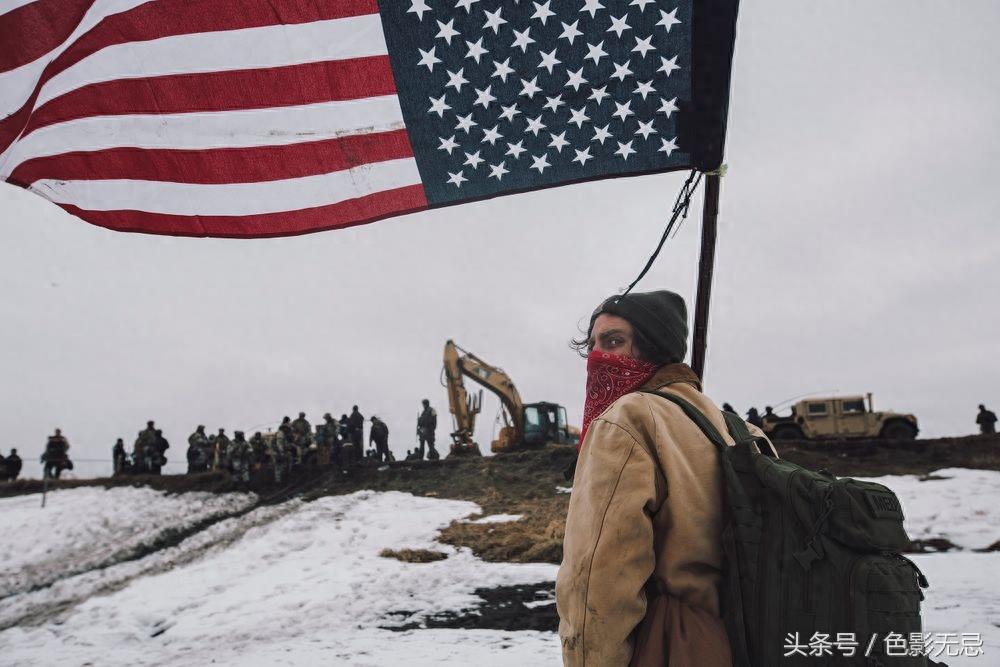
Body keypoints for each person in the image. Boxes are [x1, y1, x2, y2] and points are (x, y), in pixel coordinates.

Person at [556, 290, 775, 667]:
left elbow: (597, 580)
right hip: (752, 639)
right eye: (592, 345)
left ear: (654, 347)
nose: (597, 358)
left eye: (614, 341)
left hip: (672, 646)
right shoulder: (743, 431)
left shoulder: (626, 419)